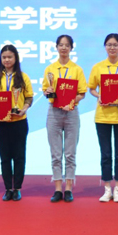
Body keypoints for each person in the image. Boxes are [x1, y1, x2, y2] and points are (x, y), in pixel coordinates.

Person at [88, 33, 118, 203]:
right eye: (109, 44)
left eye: (115, 45)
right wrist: (99, 95)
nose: (112, 48)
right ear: (105, 47)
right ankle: (107, 188)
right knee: (106, 154)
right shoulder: (98, 67)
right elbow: (91, 88)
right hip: (102, 116)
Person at [42, 35, 87, 203]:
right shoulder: (50, 69)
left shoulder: (76, 69)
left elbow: (82, 93)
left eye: (67, 45)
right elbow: (46, 90)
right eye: (60, 45)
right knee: (55, 154)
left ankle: (68, 188)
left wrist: (72, 101)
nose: (63, 48)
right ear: (56, 47)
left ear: (71, 48)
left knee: (70, 153)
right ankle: (57, 189)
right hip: (54, 113)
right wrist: (47, 92)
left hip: (71, 113)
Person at [0, 44, 33, 201]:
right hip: (1, 122)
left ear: (15, 58)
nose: (7, 60)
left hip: (19, 122)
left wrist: (24, 109)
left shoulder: (23, 77)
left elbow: (29, 97)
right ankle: (7, 189)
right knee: (5, 158)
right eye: (4, 57)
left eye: (10, 57)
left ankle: (17, 188)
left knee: (19, 157)